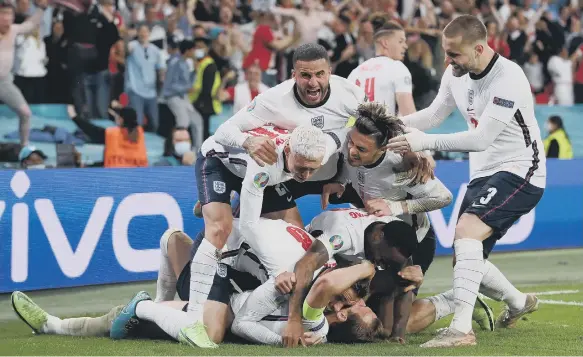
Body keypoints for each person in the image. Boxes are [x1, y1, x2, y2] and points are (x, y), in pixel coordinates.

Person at [386, 15, 546, 348]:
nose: (448, 61)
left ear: (478, 48)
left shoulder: (509, 78)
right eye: (446, 53)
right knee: (467, 261)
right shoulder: (456, 73)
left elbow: (481, 139)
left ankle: (461, 331)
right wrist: (392, 125)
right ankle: (519, 302)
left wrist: (424, 142)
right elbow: (432, 115)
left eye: (455, 55)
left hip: (521, 168)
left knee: (467, 232)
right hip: (483, 173)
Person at [185, 124, 338, 347]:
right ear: (288, 150)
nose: (305, 176)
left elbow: (340, 138)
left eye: (312, 170)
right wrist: (277, 273)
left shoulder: (324, 146)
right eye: (302, 168)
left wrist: (340, 180)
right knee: (220, 228)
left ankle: (222, 203)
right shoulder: (266, 164)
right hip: (220, 162)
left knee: (292, 221)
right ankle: (193, 318)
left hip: (259, 173)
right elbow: (249, 225)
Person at [0, 0, 47, 147]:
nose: (7, 18)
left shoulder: (13, 30)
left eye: (9, 14)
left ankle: (24, 147)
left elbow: (31, 25)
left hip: (4, 82)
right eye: (3, 14)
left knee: (25, 113)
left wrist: (41, 9)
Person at [347, 20, 416, 116]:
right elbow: (409, 114)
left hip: (359, 129)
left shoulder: (355, 72)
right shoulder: (397, 67)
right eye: (401, 41)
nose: (405, 46)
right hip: (386, 129)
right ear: (385, 43)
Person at [70, 106, 148, 168]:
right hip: (138, 177)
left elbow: (92, 130)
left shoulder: (113, 134)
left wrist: (74, 117)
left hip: (116, 178)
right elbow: (125, 161)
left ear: (121, 119)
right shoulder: (140, 134)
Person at [162, 39, 204, 151]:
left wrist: (194, 72)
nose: (195, 53)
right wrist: (186, 88)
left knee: (197, 120)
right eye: (193, 50)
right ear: (188, 51)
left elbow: (187, 83)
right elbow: (169, 84)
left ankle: (197, 150)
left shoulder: (185, 63)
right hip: (173, 97)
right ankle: (175, 149)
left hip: (183, 97)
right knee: (183, 121)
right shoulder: (174, 63)